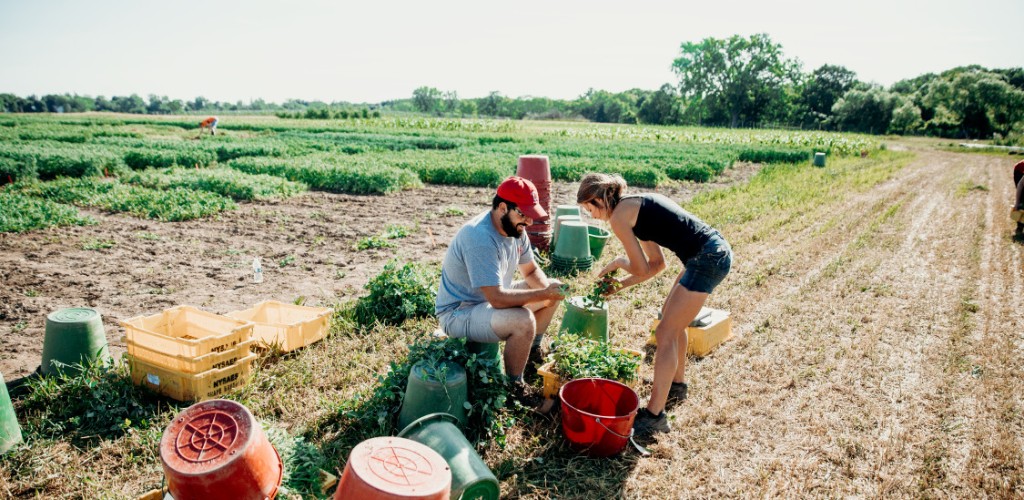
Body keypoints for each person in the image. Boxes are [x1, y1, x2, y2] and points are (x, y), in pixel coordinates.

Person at [576, 173, 732, 437]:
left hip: (707, 258)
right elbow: (656, 265)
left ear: (598, 199)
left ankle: (655, 416)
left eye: (588, 208)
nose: (590, 215)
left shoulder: (620, 217)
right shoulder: (636, 208)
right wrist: (619, 286)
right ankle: (677, 385)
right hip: (709, 252)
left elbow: (638, 266)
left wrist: (617, 263)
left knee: (665, 333)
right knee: (672, 323)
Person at [436, 176, 566, 404]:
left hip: (488, 302)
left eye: (530, 215)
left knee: (548, 286)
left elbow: (531, 271)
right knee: (522, 319)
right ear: (502, 207)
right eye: (522, 214)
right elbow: (496, 298)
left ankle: (532, 350)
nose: (528, 222)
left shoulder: (516, 231)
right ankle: (515, 388)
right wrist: (543, 294)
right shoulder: (479, 237)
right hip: (459, 312)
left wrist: (549, 292)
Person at [1014, 159, 1024, 238]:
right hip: (1019, 170)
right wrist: (1017, 202)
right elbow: (1020, 185)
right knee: (1022, 200)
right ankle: (1019, 228)